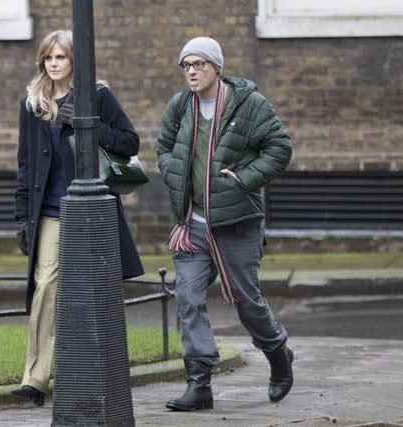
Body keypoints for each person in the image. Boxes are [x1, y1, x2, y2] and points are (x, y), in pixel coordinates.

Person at [156, 36, 294, 411]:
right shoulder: (180, 106)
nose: (191, 71)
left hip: (236, 224)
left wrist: (244, 178)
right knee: (187, 298)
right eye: (186, 65)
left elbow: (280, 148)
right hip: (193, 225)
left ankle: (278, 353)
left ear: (217, 67)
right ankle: (199, 383)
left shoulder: (248, 104)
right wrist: (175, 175)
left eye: (199, 64)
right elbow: (164, 148)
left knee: (247, 302)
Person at [12, 29, 144, 406]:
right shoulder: (33, 104)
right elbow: (25, 164)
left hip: (90, 207)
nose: (53, 65)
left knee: (92, 292)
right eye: (48, 59)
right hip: (50, 211)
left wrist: (88, 124)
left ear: (75, 62)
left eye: (61, 58)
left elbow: (129, 141)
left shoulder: (97, 95)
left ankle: (87, 374)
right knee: (46, 285)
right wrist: (22, 216)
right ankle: (35, 379)